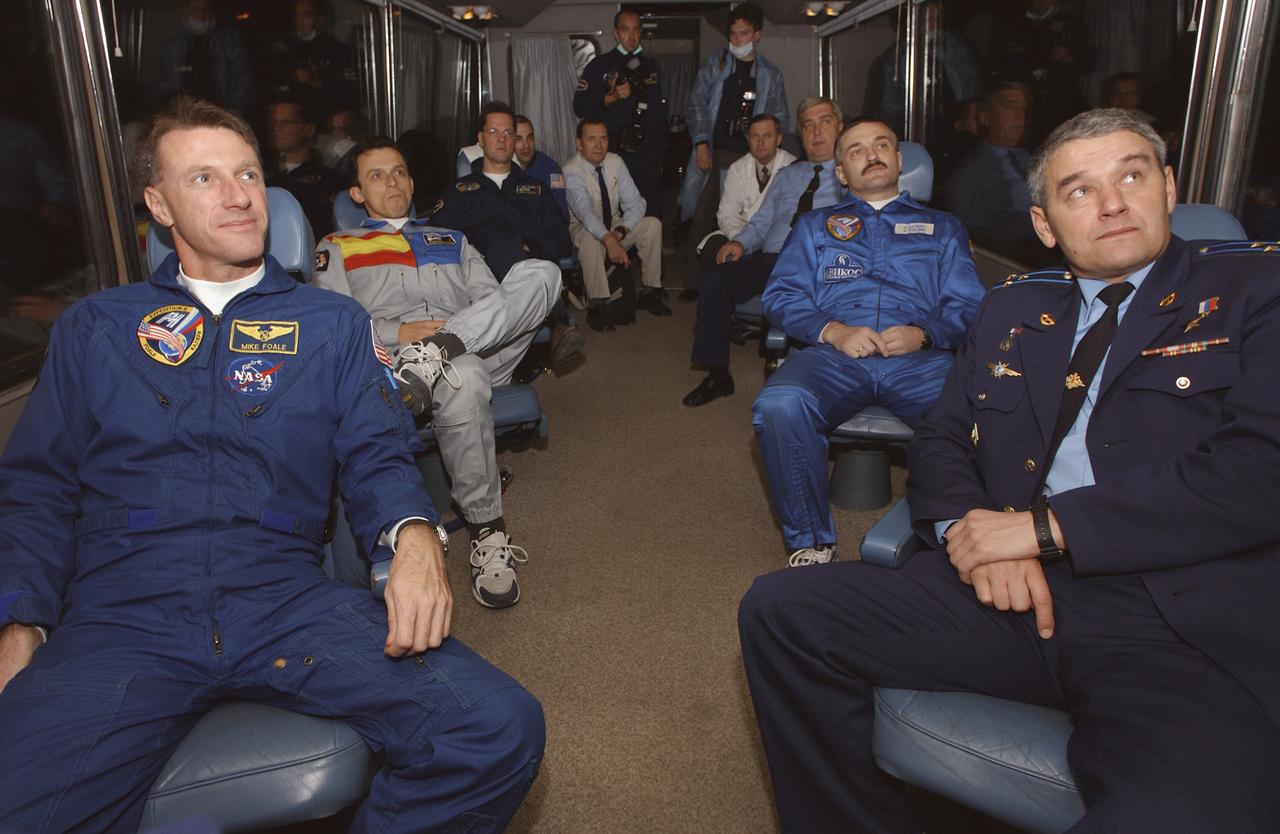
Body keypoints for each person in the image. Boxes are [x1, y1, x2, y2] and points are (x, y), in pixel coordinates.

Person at [0, 97, 544, 832]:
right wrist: (20, 617)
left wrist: (414, 532)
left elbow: (375, 451)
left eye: (248, 173)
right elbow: (36, 487)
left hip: (282, 596)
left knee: (494, 728)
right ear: (157, 204)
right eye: (204, 178)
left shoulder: (330, 324)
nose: (236, 193)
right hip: (125, 611)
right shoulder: (96, 328)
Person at [739, 107, 1280, 832]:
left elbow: (1260, 468)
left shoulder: (1256, 291)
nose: (1112, 202)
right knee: (781, 611)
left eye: (1130, 175)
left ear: (1169, 186)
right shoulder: (1017, 306)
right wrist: (968, 527)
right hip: (1002, 587)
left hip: (1170, 615)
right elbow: (940, 439)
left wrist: (1041, 530)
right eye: (1079, 190)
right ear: (1046, 224)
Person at [315, 137, 560, 608]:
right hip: (391, 366)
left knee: (542, 272)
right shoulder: (339, 245)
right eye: (378, 175)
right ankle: (488, 531)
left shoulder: (452, 239)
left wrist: (450, 337)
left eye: (401, 171)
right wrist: (400, 331)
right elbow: (336, 326)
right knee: (462, 375)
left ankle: (438, 352)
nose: (394, 182)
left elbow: (495, 305)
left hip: (474, 344)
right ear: (357, 195)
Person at [751, 118, 983, 565]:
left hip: (921, 360)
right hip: (833, 356)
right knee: (779, 403)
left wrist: (925, 333)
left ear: (898, 160)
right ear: (841, 173)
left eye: (882, 145)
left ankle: (952, 528)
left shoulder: (943, 227)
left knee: (977, 408)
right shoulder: (815, 226)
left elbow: (971, 305)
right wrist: (834, 331)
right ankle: (811, 541)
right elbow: (780, 295)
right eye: (856, 150)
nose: (871, 153)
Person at [681, 97, 845, 407]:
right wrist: (740, 243)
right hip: (773, 258)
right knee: (716, 279)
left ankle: (808, 373)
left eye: (824, 122)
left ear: (840, 128)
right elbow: (761, 223)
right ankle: (718, 375)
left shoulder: (849, 176)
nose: (816, 132)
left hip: (820, 261)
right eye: (808, 125)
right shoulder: (787, 177)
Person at [430, 102, 583, 368]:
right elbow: (437, 239)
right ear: (480, 138)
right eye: (493, 131)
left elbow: (561, 236)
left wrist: (531, 251)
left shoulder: (536, 189)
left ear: (514, 139)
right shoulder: (459, 191)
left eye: (508, 132)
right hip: (479, 278)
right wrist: (476, 256)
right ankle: (556, 321)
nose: (501, 138)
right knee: (498, 241)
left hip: (533, 271)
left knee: (511, 247)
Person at [676, 4, 789, 232]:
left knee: (743, 216)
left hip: (750, 156)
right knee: (701, 214)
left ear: (757, 35)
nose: (737, 40)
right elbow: (696, 104)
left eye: (744, 33)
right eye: (733, 33)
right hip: (714, 152)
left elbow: (780, 119)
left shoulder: (771, 74)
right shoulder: (716, 63)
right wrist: (700, 143)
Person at [563, 118, 669, 332]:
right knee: (591, 240)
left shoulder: (615, 162)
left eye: (603, 138)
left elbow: (637, 204)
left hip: (616, 227)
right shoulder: (570, 171)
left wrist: (619, 234)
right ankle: (598, 303)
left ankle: (649, 291)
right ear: (579, 143)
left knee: (652, 225)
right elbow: (585, 212)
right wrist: (608, 239)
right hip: (584, 228)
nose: (599, 145)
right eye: (591, 139)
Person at [573, 9, 668, 220]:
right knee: (617, 211)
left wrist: (661, 151)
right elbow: (580, 107)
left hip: (647, 155)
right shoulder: (599, 66)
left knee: (651, 211)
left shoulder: (650, 67)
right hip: (615, 152)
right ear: (616, 33)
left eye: (636, 30)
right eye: (626, 30)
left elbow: (660, 113)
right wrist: (610, 98)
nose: (631, 36)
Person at [696, 113, 795, 272]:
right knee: (712, 248)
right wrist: (740, 240)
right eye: (755, 136)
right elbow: (726, 213)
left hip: (777, 238)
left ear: (779, 139)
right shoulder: (737, 168)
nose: (760, 142)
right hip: (740, 231)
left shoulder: (793, 167)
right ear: (748, 140)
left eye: (767, 136)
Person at [944, 82, 1038, 242]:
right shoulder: (971, 171)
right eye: (1010, 107)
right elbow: (970, 237)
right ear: (985, 117)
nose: (1020, 115)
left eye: (1023, 109)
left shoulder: (1027, 158)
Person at [158, 0, 254, 117]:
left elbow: (243, 82)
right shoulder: (173, 46)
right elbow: (166, 86)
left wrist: (231, 115)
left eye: (205, 9)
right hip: (184, 116)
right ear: (185, 11)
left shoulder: (228, 42)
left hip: (222, 114)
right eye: (196, 10)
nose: (202, 15)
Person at [264, 97, 343, 238]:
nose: (275, 128)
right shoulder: (260, 171)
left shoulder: (326, 182)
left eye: (286, 122)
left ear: (308, 130)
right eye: (273, 122)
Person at [270, 0, 355, 111]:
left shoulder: (338, 50)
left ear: (320, 20)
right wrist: (293, 76)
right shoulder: (283, 48)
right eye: (296, 15)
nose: (299, 21)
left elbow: (346, 91)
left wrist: (319, 83)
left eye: (306, 15)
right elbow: (273, 81)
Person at [514, 114, 569, 220]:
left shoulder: (551, 169)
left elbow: (562, 214)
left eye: (530, 138)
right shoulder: (502, 167)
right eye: (519, 139)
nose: (526, 145)